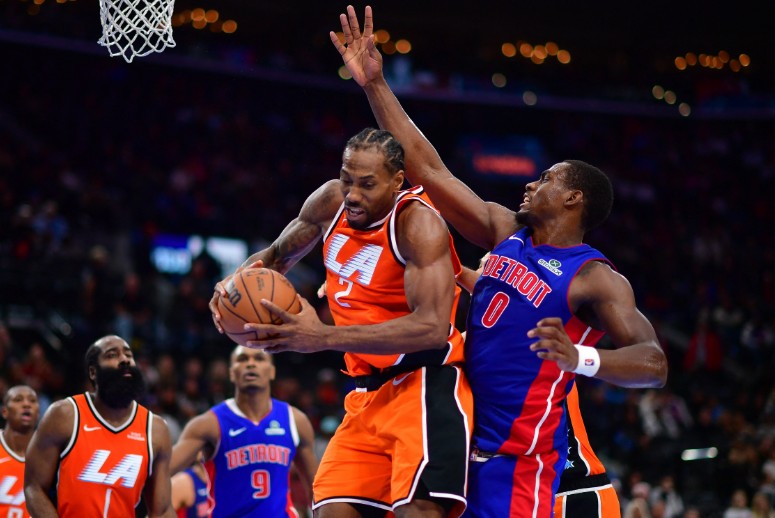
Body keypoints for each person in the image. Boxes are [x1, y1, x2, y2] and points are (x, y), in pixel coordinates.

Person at [330, 6, 668, 516]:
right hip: (465, 438)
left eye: (549, 178)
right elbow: (427, 168)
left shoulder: (594, 278)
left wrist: (581, 359)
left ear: (575, 199)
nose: (532, 183)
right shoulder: (504, 231)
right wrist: (374, 84)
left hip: (520, 458)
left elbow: (654, 363)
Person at [209, 127, 474, 517]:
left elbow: (431, 328)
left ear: (397, 181)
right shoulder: (331, 202)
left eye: (367, 184)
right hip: (365, 396)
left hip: (425, 387)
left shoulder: (417, 225)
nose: (352, 194)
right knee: (330, 510)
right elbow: (276, 257)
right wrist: (231, 289)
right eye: (347, 178)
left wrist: (324, 336)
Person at [459, 256, 621, 517]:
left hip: (573, 490)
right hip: (510, 489)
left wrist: (453, 268)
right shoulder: (477, 347)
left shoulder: (532, 329)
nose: (487, 276)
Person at [24, 335, 175, 517]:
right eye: (112, 355)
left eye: (128, 355)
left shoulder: (155, 429)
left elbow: (163, 510)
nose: (124, 359)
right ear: (93, 372)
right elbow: (34, 487)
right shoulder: (64, 415)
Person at [170, 346, 317, 518]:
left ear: (272, 372)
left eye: (259, 359)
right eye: (242, 359)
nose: (251, 364)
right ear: (232, 373)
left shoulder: (295, 421)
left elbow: (316, 490)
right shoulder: (208, 424)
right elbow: (162, 470)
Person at [0, 385, 39, 518]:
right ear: (4, 411)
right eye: (18, 400)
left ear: (38, 412)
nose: (26, 404)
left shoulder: (51, 453)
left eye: (32, 401)